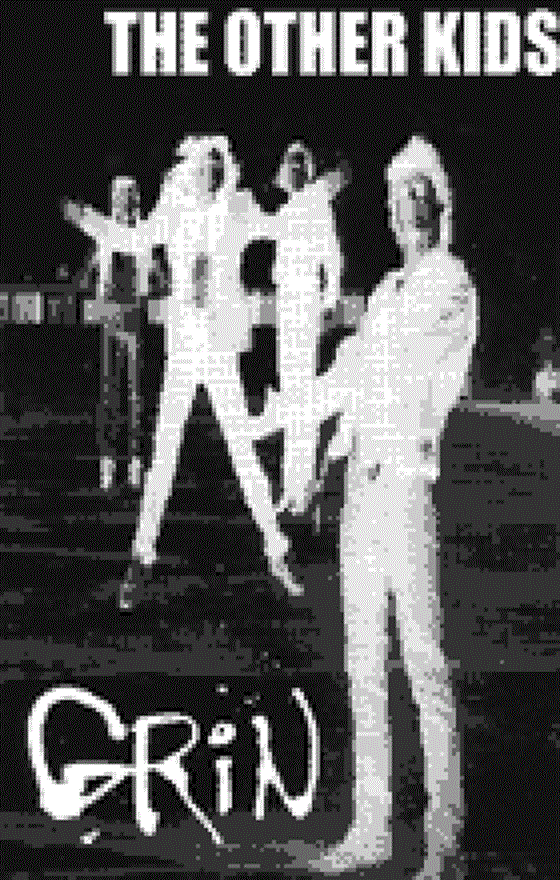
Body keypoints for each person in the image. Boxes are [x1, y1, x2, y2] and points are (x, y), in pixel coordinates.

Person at [275, 135, 477, 877]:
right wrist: (302, 434)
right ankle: (371, 830)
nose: (405, 208)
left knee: (423, 664)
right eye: (396, 198)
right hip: (362, 489)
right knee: (363, 664)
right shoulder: (388, 290)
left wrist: (345, 374)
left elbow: (383, 371)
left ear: (439, 205)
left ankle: (444, 843)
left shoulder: (448, 282)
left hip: (406, 487)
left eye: (418, 194)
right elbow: (351, 378)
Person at [119, 135, 302, 610]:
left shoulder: (238, 208)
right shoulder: (172, 210)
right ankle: (141, 555)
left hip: (219, 349)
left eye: (218, 165)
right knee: (164, 454)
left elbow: (279, 227)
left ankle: (276, 549)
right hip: (184, 349)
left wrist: (301, 194)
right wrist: (87, 220)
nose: (211, 173)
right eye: (204, 164)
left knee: (242, 450)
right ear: (190, 168)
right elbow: (134, 239)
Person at [255, 142, 346, 515]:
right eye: (289, 165)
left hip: (305, 300)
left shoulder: (315, 203)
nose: (293, 171)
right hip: (287, 302)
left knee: (302, 396)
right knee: (290, 393)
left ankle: (302, 487)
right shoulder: (288, 208)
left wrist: (330, 294)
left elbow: (332, 253)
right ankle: (290, 488)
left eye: (299, 165)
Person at [64, 178, 162, 490]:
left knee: (136, 396)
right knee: (110, 393)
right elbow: (87, 269)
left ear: (137, 201)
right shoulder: (104, 231)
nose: (125, 203)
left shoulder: (145, 234)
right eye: (120, 198)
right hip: (110, 316)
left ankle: (135, 461)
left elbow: (159, 277)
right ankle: (108, 460)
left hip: (134, 317)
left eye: (130, 198)